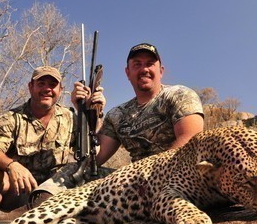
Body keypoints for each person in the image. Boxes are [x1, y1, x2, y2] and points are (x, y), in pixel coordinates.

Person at [0, 65, 104, 224]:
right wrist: (12, 165)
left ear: (60, 90)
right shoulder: (12, 118)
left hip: (56, 192)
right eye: (41, 83)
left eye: (52, 84)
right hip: (21, 190)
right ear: (31, 87)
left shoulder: (71, 117)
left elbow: (94, 151)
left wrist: (92, 112)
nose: (47, 89)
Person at [73, 42, 204, 164]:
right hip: (134, 180)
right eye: (137, 64)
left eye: (150, 63)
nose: (144, 69)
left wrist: (153, 175)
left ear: (161, 71)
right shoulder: (116, 115)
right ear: (127, 73)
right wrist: (85, 111)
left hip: (176, 176)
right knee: (72, 173)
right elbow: (95, 158)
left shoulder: (180, 95)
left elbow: (191, 142)